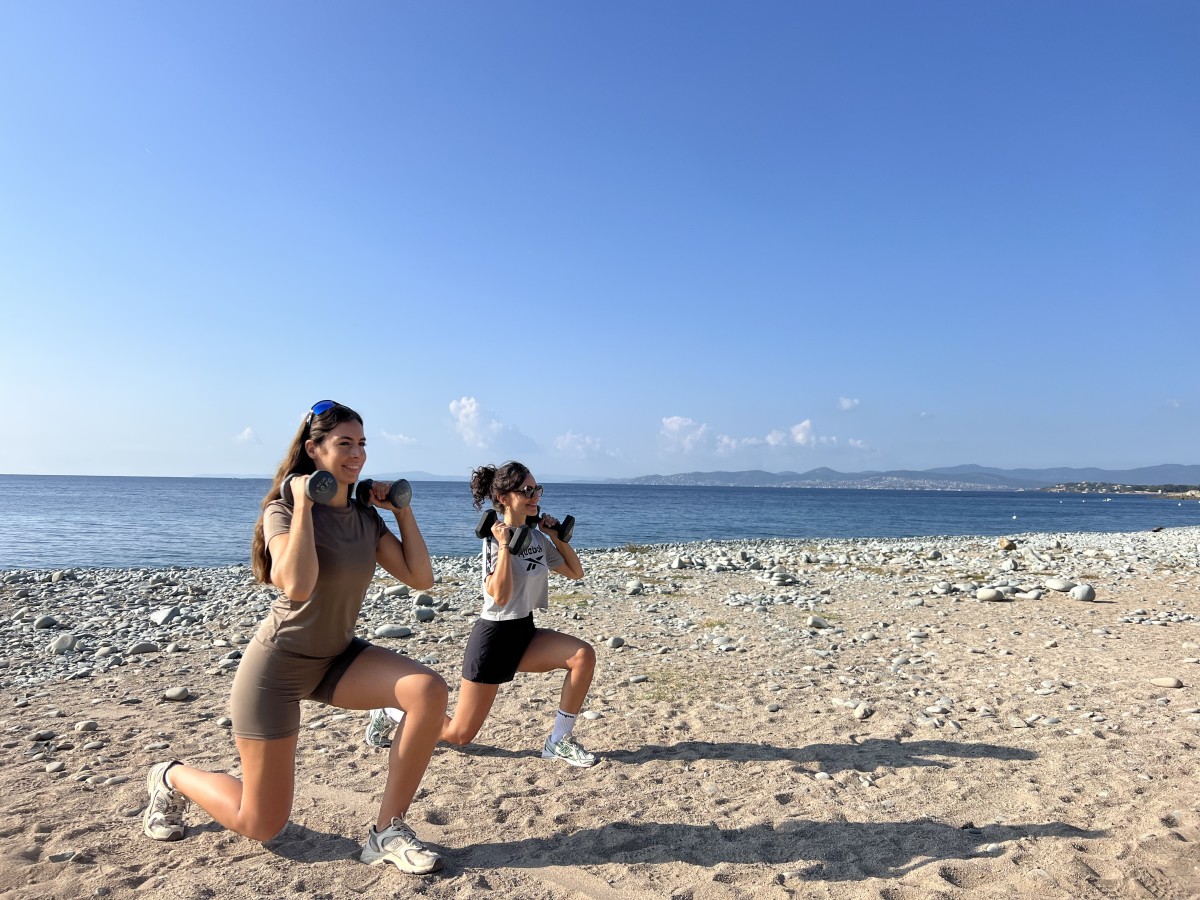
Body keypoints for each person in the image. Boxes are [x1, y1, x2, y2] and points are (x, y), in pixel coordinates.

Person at [141, 400, 449, 875]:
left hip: (337, 658)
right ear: (314, 449)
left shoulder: (367, 519)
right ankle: (171, 776)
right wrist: (304, 502)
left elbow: (420, 577)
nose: (357, 454)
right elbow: (298, 585)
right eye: (344, 443)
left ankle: (388, 831)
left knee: (426, 690)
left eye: (362, 443)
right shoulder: (281, 513)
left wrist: (400, 511)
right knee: (261, 822)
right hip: (277, 670)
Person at [365, 461, 597, 766]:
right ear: (503, 497)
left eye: (537, 489)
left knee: (582, 656)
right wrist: (504, 546)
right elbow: (499, 595)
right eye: (527, 490)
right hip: (494, 639)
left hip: (524, 632)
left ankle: (558, 741)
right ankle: (390, 711)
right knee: (458, 734)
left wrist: (556, 537)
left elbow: (575, 572)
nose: (535, 496)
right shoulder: (492, 539)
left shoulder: (537, 539)